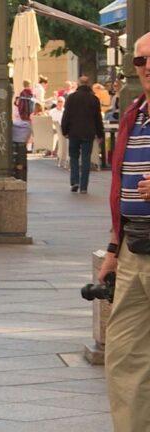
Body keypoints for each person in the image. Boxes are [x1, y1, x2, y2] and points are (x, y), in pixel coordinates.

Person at [98, 31, 150, 432]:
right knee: (123, 353)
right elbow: (119, 188)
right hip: (134, 247)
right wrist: (113, 249)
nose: (146, 67)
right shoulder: (135, 112)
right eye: (140, 60)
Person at [61, 76, 104, 194]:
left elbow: (66, 116)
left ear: (79, 84)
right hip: (88, 133)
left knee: (74, 157)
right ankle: (84, 186)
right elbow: (97, 118)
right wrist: (100, 133)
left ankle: (75, 181)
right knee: (86, 158)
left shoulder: (71, 98)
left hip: (74, 132)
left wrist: (64, 131)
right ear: (89, 84)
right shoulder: (94, 99)